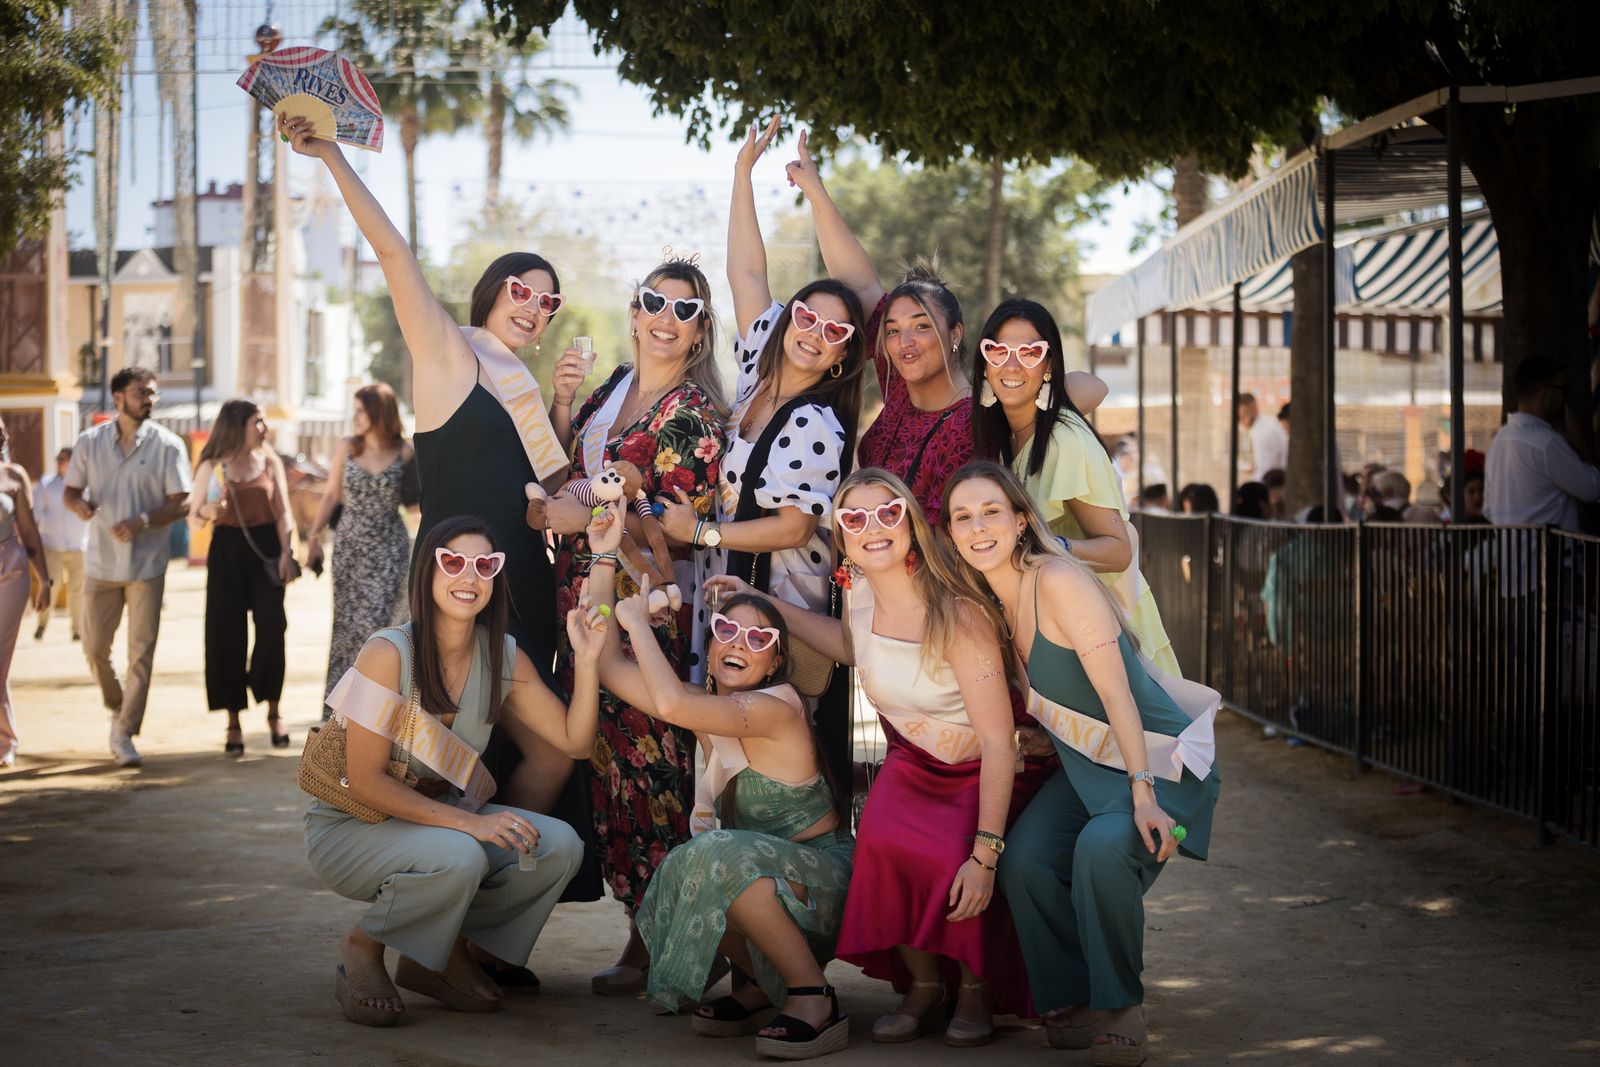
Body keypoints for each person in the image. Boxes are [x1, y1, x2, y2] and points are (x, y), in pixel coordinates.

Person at [284, 113, 580, 832]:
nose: (534, 306)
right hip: (454, 584)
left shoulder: (530, 397)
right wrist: (330, 156)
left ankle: (491, 905)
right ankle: (411, 924)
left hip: (525, 588)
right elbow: (392, 254)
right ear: (490, 293)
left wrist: (564, 405)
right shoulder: (447, 355)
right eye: (521, 288)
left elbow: (544, 491)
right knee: (445, 762)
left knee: (542, 754)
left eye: (549, 301)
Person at [709, 468, 1053, 1047]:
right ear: (840, 537)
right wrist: (767, 605)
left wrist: (987, 853)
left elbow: (998, 741)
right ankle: (922, 985)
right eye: (854, 518)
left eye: (889, 513)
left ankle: (974, 988)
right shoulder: (860, 592)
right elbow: (853, 647)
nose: (873, 528)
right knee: (880, 842)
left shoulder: (958, 612)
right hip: (917, 762)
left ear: (912, 524)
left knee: (952, 855)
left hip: (987, 765)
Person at [939, 461, 1220, 1064]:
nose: (978, 526)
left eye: (992, 511)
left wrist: (1144, 793)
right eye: (963, 517)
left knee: (1100, 848)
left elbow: (1118, 694)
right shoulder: (990, 605)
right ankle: (1075, 999)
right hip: (1090, 766)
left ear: (1020, 522)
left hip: (1160, 761)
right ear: (951, 534)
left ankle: (1121, 1005)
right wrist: (1044, 741)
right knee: (1028, 862)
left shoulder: (1059, 578)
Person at [304, 515, 601, 1027]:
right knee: (463, 853)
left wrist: (590, 659)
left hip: (434, 825)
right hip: (355, 826)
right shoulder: (388, 653)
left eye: (485, 565)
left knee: (558, 847)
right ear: (428, 570)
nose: (469, 576)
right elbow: (368, 781)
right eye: (453, 562)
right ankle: (363, 946)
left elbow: (574, 741)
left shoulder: (501, 654)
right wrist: (472, 822)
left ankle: (433, 953)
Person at [585, 505, 854, 1059]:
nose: (738, 642)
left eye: (759, 639)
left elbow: (667, 700)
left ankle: (814, 995)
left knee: (713, 854)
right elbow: (607, 665)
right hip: (769, 882)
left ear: (777, 660)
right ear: (712, 643)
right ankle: (758, 984)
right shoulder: (711, 708)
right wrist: (605, 556)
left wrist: (639, 623)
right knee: (682, 871)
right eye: (728, 629)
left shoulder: (778, 708)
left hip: (821, 889)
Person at [542, 254, 727, 993]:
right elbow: (562, 477)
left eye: (685, 310)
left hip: (647, 609)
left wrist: (582, 511)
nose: (665, 318)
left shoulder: (694, 415)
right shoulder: (611, 389)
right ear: (635, 308)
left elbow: (677, 527)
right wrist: (561, 407)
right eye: (655, 301)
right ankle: (642, 934)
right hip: (582, 600)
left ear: (701, 330)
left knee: (654, 768)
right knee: (609, 773)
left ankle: (675, 938)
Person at [672, 116, 866, 783]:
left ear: (843, 355)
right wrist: (741, 175)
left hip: (781, 606)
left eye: (834, 330)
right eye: (806, 316)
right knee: (724, 759)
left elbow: (794, 525)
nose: (814, 332)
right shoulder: (757, 364)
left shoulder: (817, 422)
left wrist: (699, 530)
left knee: (768, 766)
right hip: (736, 590)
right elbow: (745, 267)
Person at [785, 132, 1104, 518]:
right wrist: (815, 191)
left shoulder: (980, 422)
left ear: (955, 333)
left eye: (922, 326)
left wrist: (1013, 398)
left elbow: (1093, 387)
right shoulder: (898, 381)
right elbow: (860, 284)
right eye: (892, 329)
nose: (905, 340)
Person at [971, 299, 1179, 677]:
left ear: (1050, 366)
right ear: (984, 362)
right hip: (1062, 636)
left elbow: (1117, 551)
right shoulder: (1003, 437)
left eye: (1031, 352)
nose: (1012, 364)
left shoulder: (1065, 439)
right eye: (998, 350)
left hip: (1110, 641)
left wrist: (1040, 550)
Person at [64, 366, 193, 767]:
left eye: (153, 393)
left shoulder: (169, 445)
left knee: (141, 652)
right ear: (118, 398)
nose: (149, 399)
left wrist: (143, 521)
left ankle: (124, 732)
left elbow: (182, 501)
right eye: (141, 393)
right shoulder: (89, 442)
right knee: (94, 647)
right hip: (100, 563)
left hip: (147, 565)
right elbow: (70, 491)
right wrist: (80, 505)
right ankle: (119, 705)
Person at [190, 400, 297, 755]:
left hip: (267, 551)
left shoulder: (269, 460)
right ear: (238, 425)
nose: (264, 428)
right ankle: (233, 719)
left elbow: (283, 512)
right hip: (226, 551)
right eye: (258, 422)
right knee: (225, 633)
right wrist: (210, 509)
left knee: (271, 629)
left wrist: (287, 552)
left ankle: (274, 712)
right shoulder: (213, 464)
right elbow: (194, 517)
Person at [305, 383, 414, 710]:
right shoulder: (346, 447)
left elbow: (415, 506)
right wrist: (312, 538)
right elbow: (331, 495)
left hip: (390, 549)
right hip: (350, 548)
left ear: (379, 412)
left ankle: (379, 708)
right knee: (347, 628)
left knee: (384, 627)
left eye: (360, 411)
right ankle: (340, 712)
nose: (354, 418)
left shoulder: (406, 450)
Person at [1484, 354, 1600, 530]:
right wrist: (1579, 443)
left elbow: (1488, 509)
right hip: (1548, 556)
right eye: (1563, 390)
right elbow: (1593, 489)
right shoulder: (1547, 443)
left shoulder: (1498, 441)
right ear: (1545, 393)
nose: (1565, 399)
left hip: (1511, 556)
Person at [0, 417, 53, 767]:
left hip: (10, 571)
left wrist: (45, 580)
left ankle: (5, 741)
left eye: (0, 430)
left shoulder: (14, 475)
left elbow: (29, 531)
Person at [33, 446, 88, 641]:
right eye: (58, 459)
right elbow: (36, 515)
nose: (59, 462)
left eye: (63, 459)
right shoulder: (46, 484)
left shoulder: (85, 485)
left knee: (77, 590)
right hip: (52, 546)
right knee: (51, 586)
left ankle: (77, 629)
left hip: (78, 547)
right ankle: (42, 624)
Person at [1238, 392, 1288, 477]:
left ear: (1254, 409)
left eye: (1243, 416)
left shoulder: (1262, 434)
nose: (1241, 422)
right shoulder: (1268, 423)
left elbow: (1265, 471)